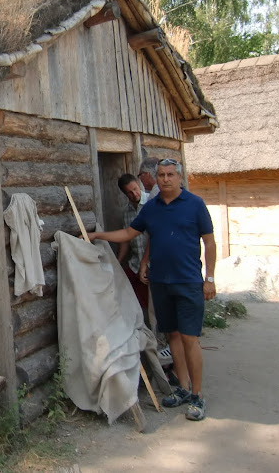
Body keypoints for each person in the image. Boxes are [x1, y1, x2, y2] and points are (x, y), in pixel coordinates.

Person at [87, 158, 216, 421]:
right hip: (160, 282)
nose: (165, 179)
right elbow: (128, 233)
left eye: (170, 174)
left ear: (179, 177)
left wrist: (210, 278)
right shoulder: (151, 208)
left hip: (189, 281)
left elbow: (210, 243)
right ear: (154, 178)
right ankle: (182, 387)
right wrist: (97, 236)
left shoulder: (195, 205)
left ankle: (198, 395)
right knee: (173, 337)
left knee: (190, 337)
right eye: (161, 175)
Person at [115, 173, 149, 313]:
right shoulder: (127, 212)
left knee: (154, 304)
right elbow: (126, 239)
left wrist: (145, 263)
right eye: (129, 192)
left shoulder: (151, 204)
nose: (134, 194)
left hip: (152, 263)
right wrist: (118, 261)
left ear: (139, 184)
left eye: (135, 189)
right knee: (130, 298)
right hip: (135, 263)